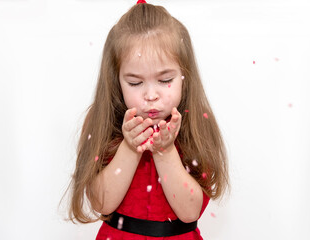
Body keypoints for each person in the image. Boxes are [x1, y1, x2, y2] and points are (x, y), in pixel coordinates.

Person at [64, 1, 230, 239]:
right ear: (116, 79)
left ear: (184, 75)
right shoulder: (103, 120)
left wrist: (165, 151)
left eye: (165, 80)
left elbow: (189, 212)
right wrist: (130, 147)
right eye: (135, 83)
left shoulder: (196, 122)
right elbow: (102, 204)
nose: (151, 95)